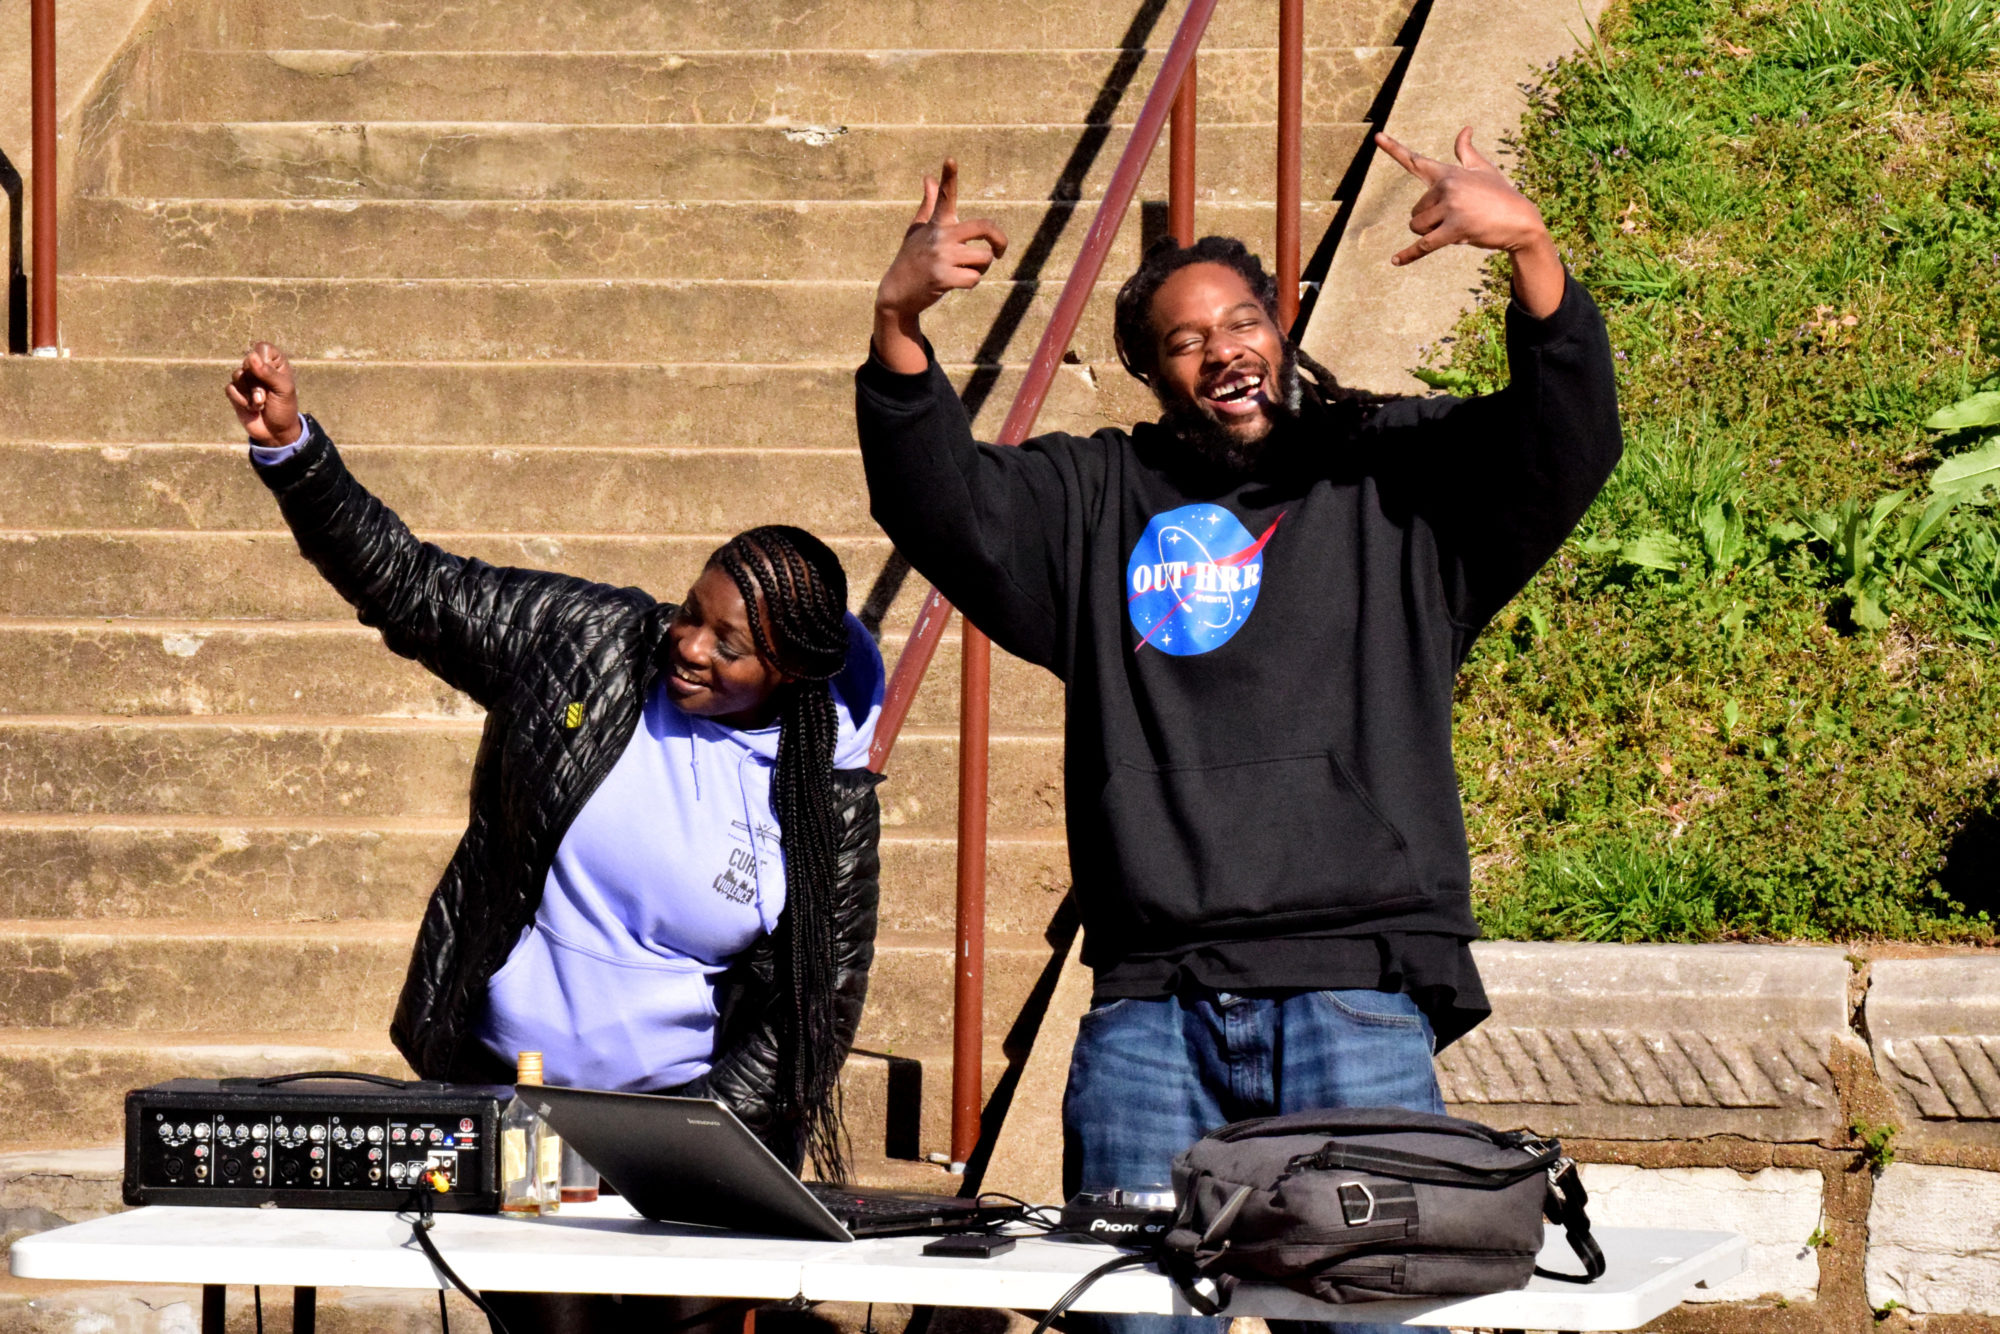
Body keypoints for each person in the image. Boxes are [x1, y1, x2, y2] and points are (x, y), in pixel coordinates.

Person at [856, 130, 1621, 1334]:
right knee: (1132, 1324)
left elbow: (1561, 443)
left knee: (1368, 1321)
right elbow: (938, 500)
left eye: (1241, 320)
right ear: (1152, 373)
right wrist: (900, 331)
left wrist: (1528, 250)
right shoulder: (1095, 500)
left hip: (1353, 998)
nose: (1222, 350)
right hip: (1149, 1011)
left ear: (1282, 325)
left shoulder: (1393, 477)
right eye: (1184, 339)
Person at [227, 345, 885, 1330]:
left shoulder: (822, 793)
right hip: (525, 1106)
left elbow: (812, 1012)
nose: (688, 645)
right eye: (692, 613)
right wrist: (295, 454)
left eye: (727, 643)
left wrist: (689, 1138)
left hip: (697, 1132)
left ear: (788, 671)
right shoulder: (591, 646)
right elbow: (413, 588)